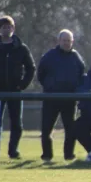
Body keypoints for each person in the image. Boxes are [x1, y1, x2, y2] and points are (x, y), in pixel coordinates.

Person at [0, 15, 35, 159]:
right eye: (4, 27)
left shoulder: (21, 48)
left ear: (13, 29)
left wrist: (22, 84)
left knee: (16, 123)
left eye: (9, 27)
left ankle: (13, 151)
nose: (6, 29)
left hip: (15, 91)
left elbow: (31, 68)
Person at [37, 29, 85, 161]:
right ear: (59, 41)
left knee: (70, 130)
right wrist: (49, 87)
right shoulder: (49, 56)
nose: (67, 43)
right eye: (64, 40)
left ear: (72, 42)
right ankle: (47, 155)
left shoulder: (76, 57)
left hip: (70, 100)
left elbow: (82, 75)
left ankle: (69, 155)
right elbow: (40, 74)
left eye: (69, 41)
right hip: (51, 98)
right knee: (46, 129)